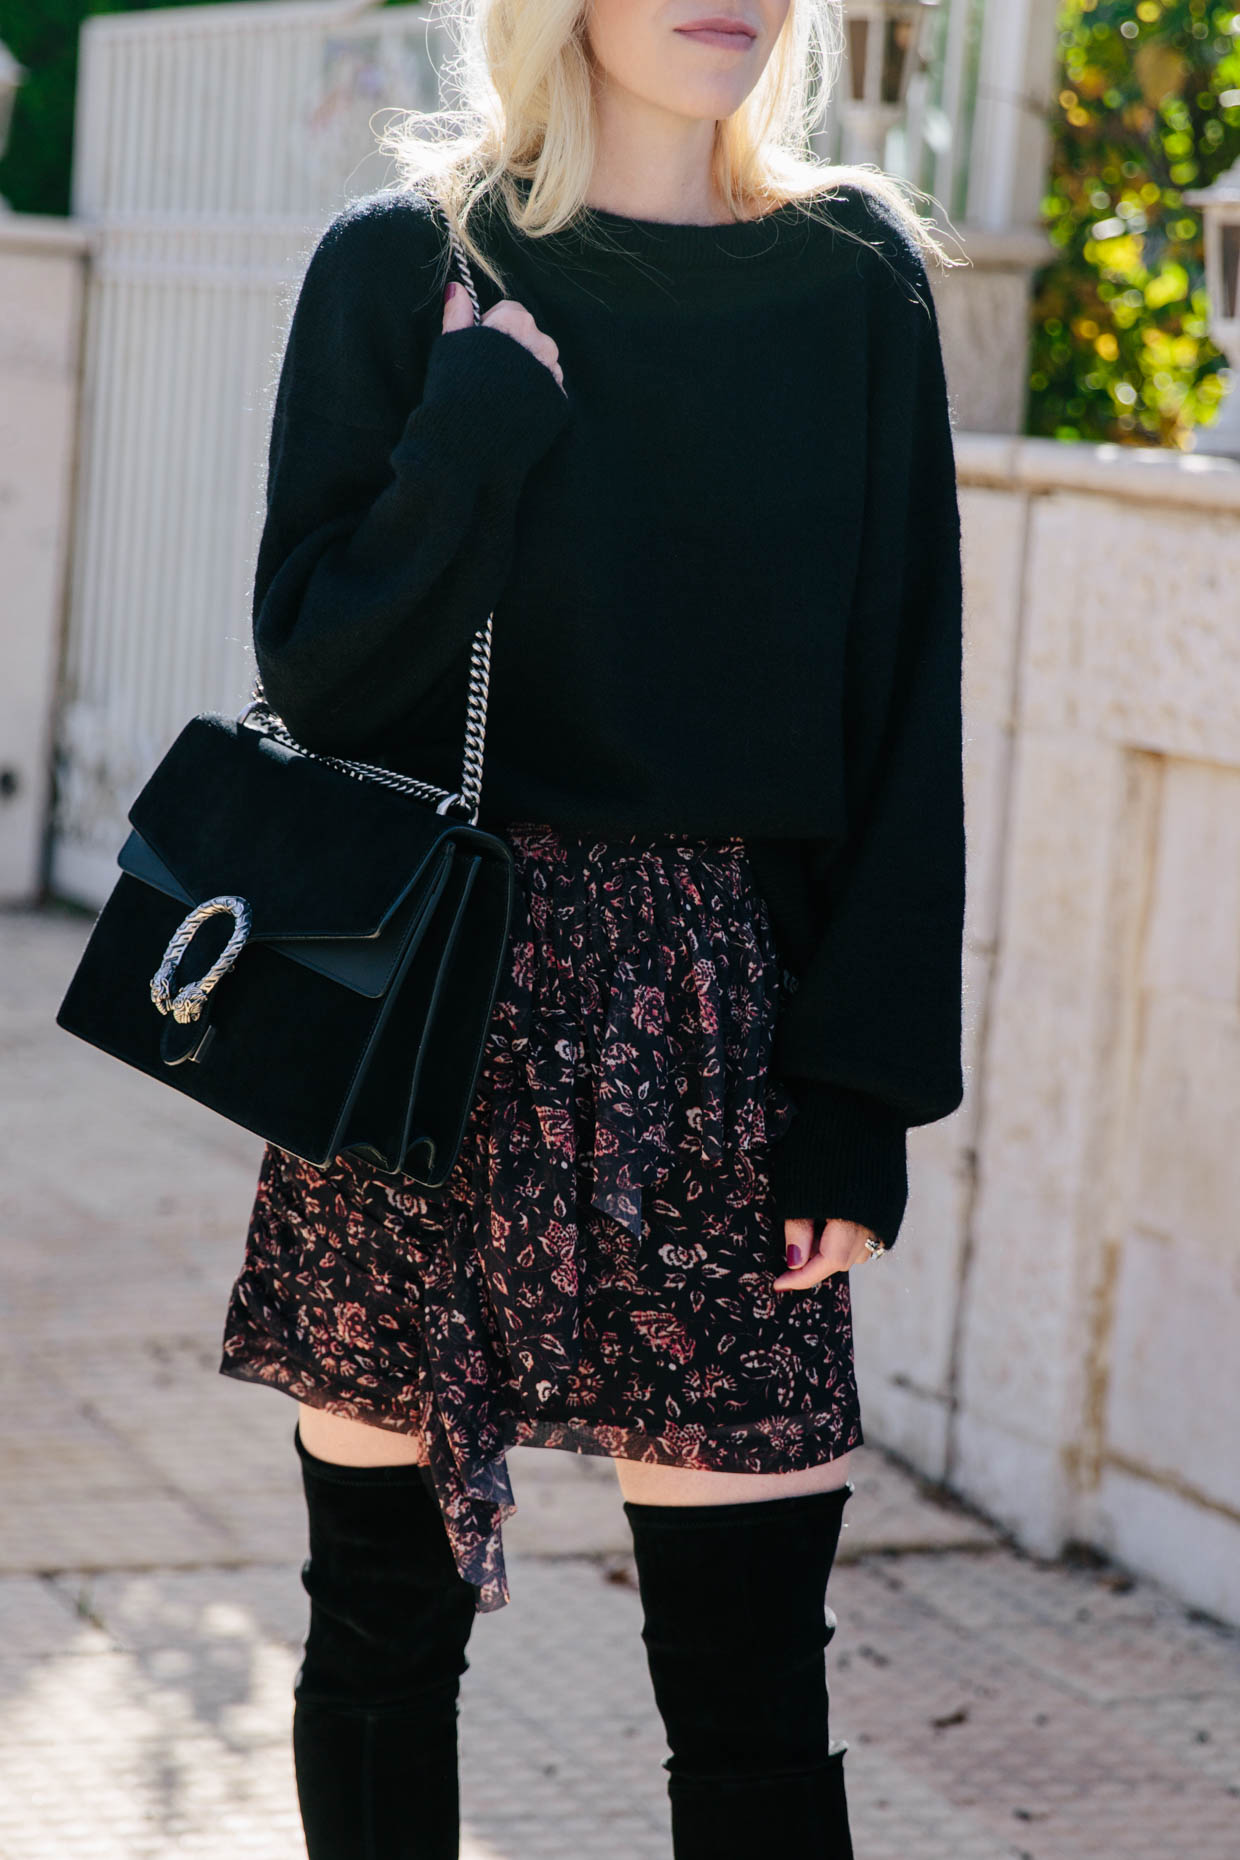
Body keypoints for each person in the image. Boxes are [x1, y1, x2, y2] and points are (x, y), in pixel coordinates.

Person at [218, 0, 966, 1854]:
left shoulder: (850, 272)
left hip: (722, 1029)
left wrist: (859, 1092)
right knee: (381, 1636)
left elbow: (904, 702)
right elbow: (318, 677)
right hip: (421, 1011)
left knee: (750, 1685)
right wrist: (475, 434)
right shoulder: (411, 266)